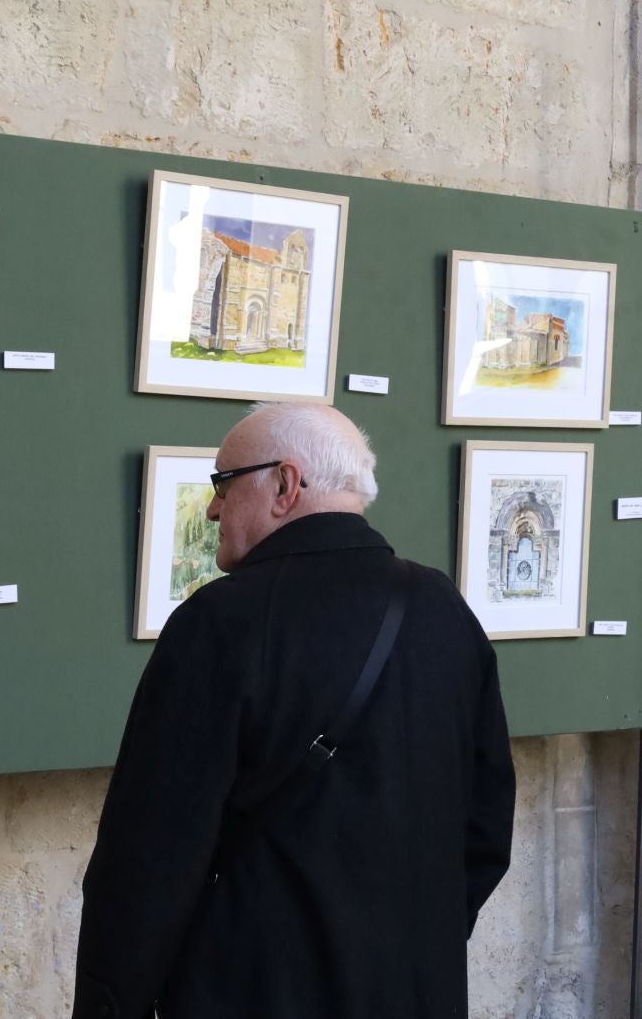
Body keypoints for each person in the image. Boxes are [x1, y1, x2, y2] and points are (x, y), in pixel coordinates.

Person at [73, 403, 515, 1019]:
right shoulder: (444, 609)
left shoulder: (220, 623)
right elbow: (488, 823)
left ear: (284, 484)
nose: (212, 509)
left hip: (251, 988)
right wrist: (411, 946)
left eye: (222, 484)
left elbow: (148, 859)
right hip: (414, 989)